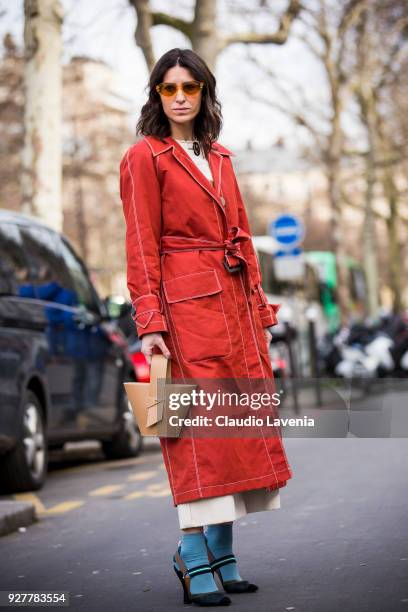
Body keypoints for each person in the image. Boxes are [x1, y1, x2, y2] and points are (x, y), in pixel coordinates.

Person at [119, 47, 293, 607]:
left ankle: (224, 552)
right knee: (195, 434)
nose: (179, 98)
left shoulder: (221, 157)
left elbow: (241, 234)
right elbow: (140, 244)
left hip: (235, 308)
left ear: (203, 92)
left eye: (188, 88)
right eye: (168, 89)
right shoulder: (144, 157)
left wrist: (261, 312)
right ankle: (193, 556)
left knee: (236, 430)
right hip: (183, 312)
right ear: (156, 95)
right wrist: (149, 319)